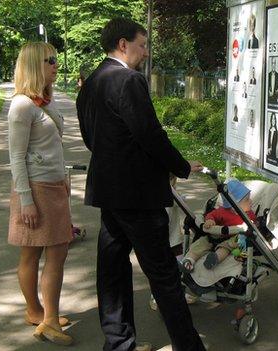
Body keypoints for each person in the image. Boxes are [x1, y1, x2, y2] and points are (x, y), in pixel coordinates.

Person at [76, 18, 205, 351]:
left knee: (113, 272)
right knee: (163, 275)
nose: (146, 52)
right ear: (123, 44)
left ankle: (119, 343)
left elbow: (91, 137)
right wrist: (179, 166)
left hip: (109, 192)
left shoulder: (91, 82)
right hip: (138, 196)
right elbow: (151, 135)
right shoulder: (128, 80)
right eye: (142, 44)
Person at [7, 42, 73, 346]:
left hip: (54, 185)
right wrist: (26, 201)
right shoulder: (22, 106)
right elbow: (16, 157)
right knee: (44, 251)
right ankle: (44, 318)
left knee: (43, 252)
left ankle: (39, 313)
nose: (55, 65)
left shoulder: (46, 100)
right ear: (35, 64)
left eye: (56, 60)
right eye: (50, 61)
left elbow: (52, 145)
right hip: (36, 189)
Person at [180, 180, 256, 272]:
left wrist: (253, 224)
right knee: (200, 244)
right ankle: (188, 260)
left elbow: (254, 225)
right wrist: (210, 220)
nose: (251, 201)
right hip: (215, 236)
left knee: (226, 248)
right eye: (247, 199)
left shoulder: (249, 214)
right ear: (234, 205)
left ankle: (214, 259)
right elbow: (211, 215)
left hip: (230, 239)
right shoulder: (222, 211)